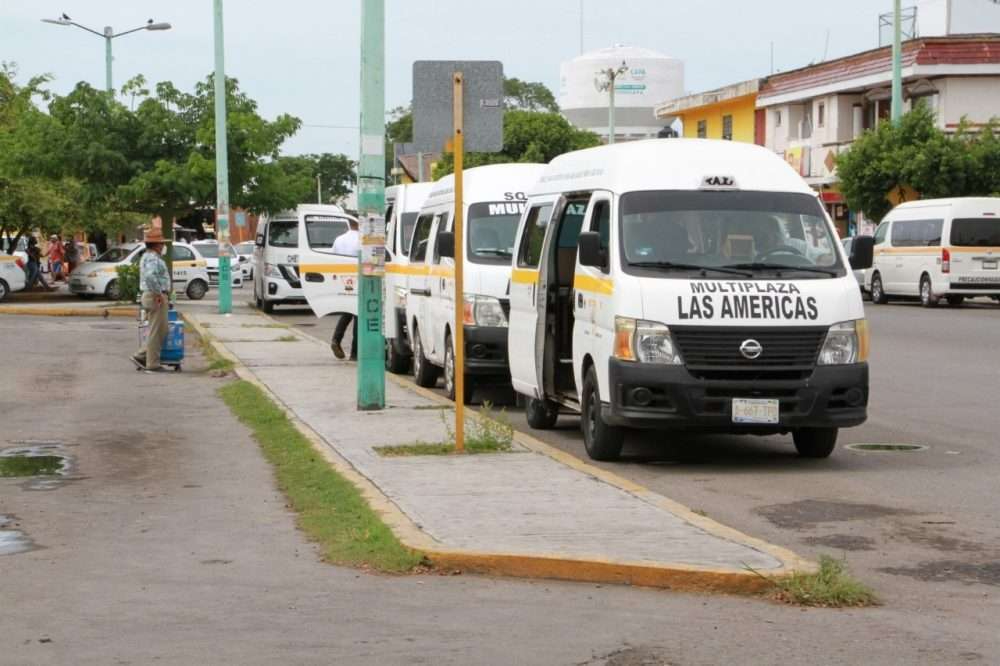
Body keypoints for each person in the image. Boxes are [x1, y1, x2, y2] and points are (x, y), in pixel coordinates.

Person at [132, 228, 171, 373]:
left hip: (152, 295)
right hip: (155, 296)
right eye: (161, 244)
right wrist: (159, 293)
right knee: (157, 330)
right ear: (157, 245)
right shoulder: (152, 258)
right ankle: (152, 363)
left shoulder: (148, 256)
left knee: (161, 329)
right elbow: (150, 276)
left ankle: (142, 355)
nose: (163, 246)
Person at [330, 219, 361, 360]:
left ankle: (336, 339)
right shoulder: (361, 239)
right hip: (359, 279)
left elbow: (333, 259)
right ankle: (355, 352)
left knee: (348, 311)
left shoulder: (339, 239)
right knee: (358, 316)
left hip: (343, 279)